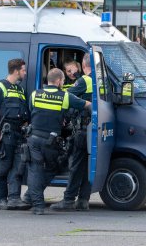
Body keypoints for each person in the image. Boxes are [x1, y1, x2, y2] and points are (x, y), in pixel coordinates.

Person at [27, 68, 91, 215]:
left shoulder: (34, 94)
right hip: (51, 141)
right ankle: (33, 198)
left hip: (34, 138)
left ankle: (37, 205)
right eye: (62, 81)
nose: (63, 83)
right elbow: (87, 105)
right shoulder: (65, 97)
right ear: (58, 81)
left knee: (34, 171)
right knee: (52, 168)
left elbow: (32, 112)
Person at [50, 53, 93, 211]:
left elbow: (66, 98)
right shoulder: (101, 80)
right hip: (95, 128)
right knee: (89, 166)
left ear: (82, 64)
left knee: (75, 166)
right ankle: (83, 200)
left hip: (82, 130)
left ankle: (68, 200)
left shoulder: (85, 80)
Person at [0, 58, 30, 210]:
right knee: (3, 166)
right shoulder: (0, 85)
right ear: (16, 70)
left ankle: (14, 198)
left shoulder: (21, 90)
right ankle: (0, 199)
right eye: (23, 70)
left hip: (19, 133)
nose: (25, 73)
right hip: (6, 133)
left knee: (18, 167)